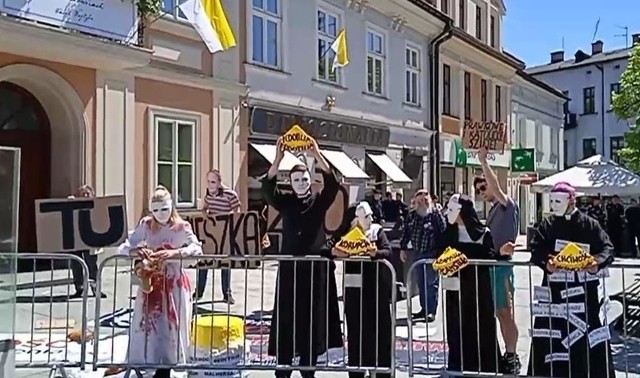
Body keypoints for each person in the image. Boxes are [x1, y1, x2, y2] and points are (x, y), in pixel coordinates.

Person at [261, 137, 343, 378]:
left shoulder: (319, 202)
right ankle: (284, 367)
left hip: (315, 270)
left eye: (304, 179)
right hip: (290, 269)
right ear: (291, 182)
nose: (300, 183)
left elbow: (333, 184)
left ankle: (309, 367)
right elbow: (268, 187)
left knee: (312, 319)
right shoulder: (285, 202)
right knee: (287, 317)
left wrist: (316, 154)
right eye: (296, 180)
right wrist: (277, 159)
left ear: (310, 181)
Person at [528, 182, 615, 377]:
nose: (554, 206)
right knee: (552, 336)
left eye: (558, 201)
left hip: (583, 295)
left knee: (586, 336)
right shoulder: (548, 224)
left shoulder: (590, 224)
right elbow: (536, 247)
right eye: (552, 201)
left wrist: (596, 262)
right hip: (555, 294)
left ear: (571, 200)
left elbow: (608, 248)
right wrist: (545, 262)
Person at [117, 185, 203, 378]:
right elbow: (124, 245)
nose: (160, 214)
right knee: (149, 322)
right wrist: (134, 251)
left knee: (174, 323)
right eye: (155, 210)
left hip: (174, 283)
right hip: (151, 281)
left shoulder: (182, 226)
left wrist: (175, 253)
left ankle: (172, 362)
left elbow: (196, 248)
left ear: (171, 206)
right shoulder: (146, 225)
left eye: (164, 209)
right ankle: (148, 360)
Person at [443, 193, 512, 374]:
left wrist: (502, 253)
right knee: (457, 325)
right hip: (456, 288)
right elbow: (438, 253)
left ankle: (484, 364)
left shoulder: (483, 234)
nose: (448, 213)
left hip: (478, 288)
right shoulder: (448, 232)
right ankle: (458, 364)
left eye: (452, 209)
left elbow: (489, 257)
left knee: (480, 324)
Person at [329, 202, 393, 378]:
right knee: (356, 331)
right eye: (366, 216)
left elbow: (388, 251)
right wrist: (337, 252)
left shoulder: (376, 231)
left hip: (376, 288)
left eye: (371, 215)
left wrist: (375, 253)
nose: (370, 219)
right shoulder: (346, 233)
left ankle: (382, 370)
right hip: (354, 290)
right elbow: (327, 249)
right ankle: (356, 369)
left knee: (380, 329)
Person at [476, 147, 520, 374]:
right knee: (496, 312)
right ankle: (504, 353)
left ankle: (512, 354)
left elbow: (497, 188)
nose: (481, 191)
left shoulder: (507, 204)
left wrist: (484, 162)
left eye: (483, 187)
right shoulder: (492, 211)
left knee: (505, 312)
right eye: (478, 190)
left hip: (502, 265)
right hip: (490, 264)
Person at [193, 169, 240, 304]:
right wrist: (205, 214)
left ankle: (227, 294)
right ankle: (199, 292)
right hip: (211, 233)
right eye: (208, 182)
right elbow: (204, 208)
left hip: (225, 233)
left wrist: (226, 218)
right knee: (204, 261)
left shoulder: (230, 194)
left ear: (219, 182)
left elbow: (237, 211)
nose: (210, 185)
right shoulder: (208, 195)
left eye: (213, 182)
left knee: (225, 263)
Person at [399, 189, 446, 322]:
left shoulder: (435, 215)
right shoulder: (412, 216)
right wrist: (403, 248)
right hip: (417, 253)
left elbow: (443, 231)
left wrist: (441, 253)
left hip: (432, 253)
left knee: (431, 283)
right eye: (420, 200)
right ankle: (423, 309)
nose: (423, 203)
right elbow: (406, 232)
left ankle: (431, 311)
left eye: (425, 200)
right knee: (421, 283)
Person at [68, 185, 106, 299]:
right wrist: (68, 202)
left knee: (92, 265)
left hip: (90, 241)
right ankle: (79, 288)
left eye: (87, 194)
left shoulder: (97, 207)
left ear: (92, 195)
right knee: (76, 264)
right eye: (82, 194)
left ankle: (96, 288)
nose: (85, 196)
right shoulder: (74, 206)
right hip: (76, 240)